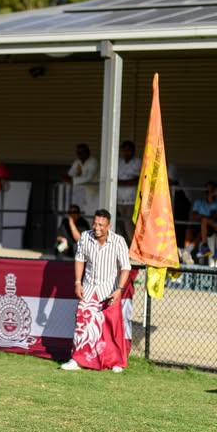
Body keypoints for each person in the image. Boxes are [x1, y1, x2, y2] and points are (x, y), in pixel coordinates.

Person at [60, 209, 131, 373]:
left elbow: (125, 267)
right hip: (89, 287)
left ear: (108, 226)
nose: (97, 227)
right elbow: (79, 260)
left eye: (101, 225)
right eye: (95, 223)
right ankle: (77, 359)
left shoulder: (119, 241)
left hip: (110, 290)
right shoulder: (85, 237)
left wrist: (119, 289)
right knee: (82, 322)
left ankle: (115, 362)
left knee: (111, 327)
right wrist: (78, 282)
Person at [115, 140, 142, 240]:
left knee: (129, 225)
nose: (126, 152)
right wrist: (125, 182)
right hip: (119, 199)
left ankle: (133, 247)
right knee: (119, 225)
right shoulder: (119, 162)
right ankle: (123, 246)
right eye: (125, 150)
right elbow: (114, 179)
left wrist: (122, 182)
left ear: (133, 151)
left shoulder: (138, 162)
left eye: (129, 150)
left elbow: (139, 179)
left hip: (132, 200)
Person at [66, 143, 99, 218]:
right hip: (83, 191)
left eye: (82, 152)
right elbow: (70, 174)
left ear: (88, 152)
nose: (80, 154)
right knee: (81, 211)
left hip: (95, 190)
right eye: (78, 153)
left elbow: (88, 178)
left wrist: (72, 179)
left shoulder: (93, 161)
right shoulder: (78, 162)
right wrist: (70, 178)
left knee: (93, 211)